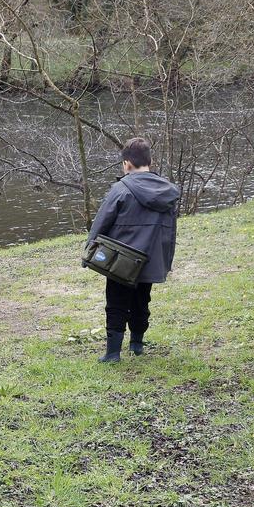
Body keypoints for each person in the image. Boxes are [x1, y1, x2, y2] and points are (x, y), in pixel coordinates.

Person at [85, 137, 181, 362]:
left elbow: (101, 222)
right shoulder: (168, 192)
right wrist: (165, 261)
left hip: (120, 260)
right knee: (141, 301)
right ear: (151, 161)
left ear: (126, 164)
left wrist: (90, 250)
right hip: (148, 260)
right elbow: (170, 232)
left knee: (116, 303)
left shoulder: (120, 189)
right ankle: (137, 344)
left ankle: (112, 354)